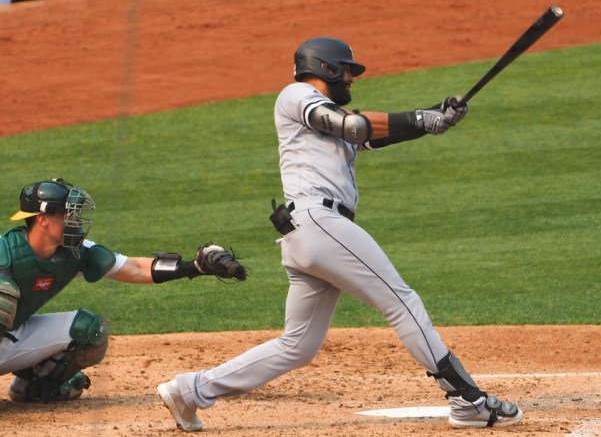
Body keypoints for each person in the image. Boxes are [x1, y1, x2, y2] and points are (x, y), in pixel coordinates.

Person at [156, 36, 523, 431]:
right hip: (319, 224)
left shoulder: (323, 115)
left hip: (308, 233)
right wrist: (420, 117)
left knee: (297, 346)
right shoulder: (295, 95)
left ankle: (191, 390)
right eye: (347, 70)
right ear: (327, 68)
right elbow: (353, 126)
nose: (351, 77)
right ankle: (466, 400)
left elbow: (371, 133)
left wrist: (437, 115)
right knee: (401, 301)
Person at [0, 178, 245, 402]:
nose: (75, 221)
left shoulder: (75, 252)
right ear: (43, 219)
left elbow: (134, 268)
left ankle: (31, 388)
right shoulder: (7, 253)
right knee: (3, 298)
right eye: (68, 215)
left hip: (10, 339)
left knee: (89, 330)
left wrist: (194, 266)